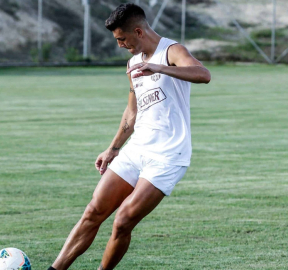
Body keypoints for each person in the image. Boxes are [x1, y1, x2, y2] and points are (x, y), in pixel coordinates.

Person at [47, 3, 211, 270]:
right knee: (92, 213)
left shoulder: (172, 51)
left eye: (122, 39)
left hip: (167, 157)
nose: (120, 45)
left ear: (138, 31)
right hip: (136, 151)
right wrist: (113, 148)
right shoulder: (133, 63)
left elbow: (203, 74)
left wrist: (159, 68)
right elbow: (133, 111)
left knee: (122, 221)